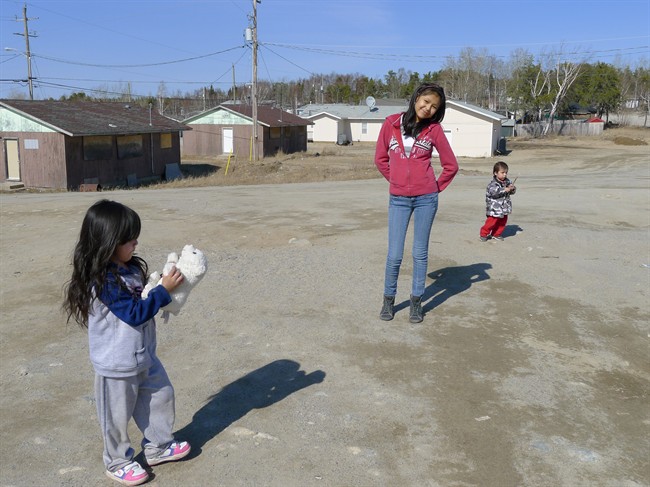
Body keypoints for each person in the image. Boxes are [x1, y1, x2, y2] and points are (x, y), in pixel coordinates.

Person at [63, 199, 191, 486]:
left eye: (135, 236)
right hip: (116, 364)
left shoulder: (130, 268)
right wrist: (163, 293)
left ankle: (158, 446)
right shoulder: (104, 280)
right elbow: (135, 313)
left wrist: (161, 286)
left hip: (144, 356)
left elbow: (144, 296)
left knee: (161, 397)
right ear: (106, 242)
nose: (135, 242)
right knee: (116, 417)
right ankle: (118, 460)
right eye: (128, 238)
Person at [374, 83, 459, 323]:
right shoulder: (391, 124)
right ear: (416, 98)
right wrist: (398, 181)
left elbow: (451, 166)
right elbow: (380, 159)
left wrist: (434, 188)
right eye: (425, 102)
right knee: (394, 254)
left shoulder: (434, 130)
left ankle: (416, 302)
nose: (428, 108)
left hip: (426, 200)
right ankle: (388, 301)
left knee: (420, 253)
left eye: (434, 106)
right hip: (398, 199)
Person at [480, 161, 516, 242]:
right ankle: (483, 234)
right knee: (491, 222)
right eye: (502, 172)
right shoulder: (493, 184)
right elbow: (495, 193)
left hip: (504, 208)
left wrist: (512, 188)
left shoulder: (507, 182)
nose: (505, 174)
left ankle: (496, 234)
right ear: (495, 173)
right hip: (494, 208)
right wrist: (505, 190)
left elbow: (511, 192)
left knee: (502, 222)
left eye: (506, 173)